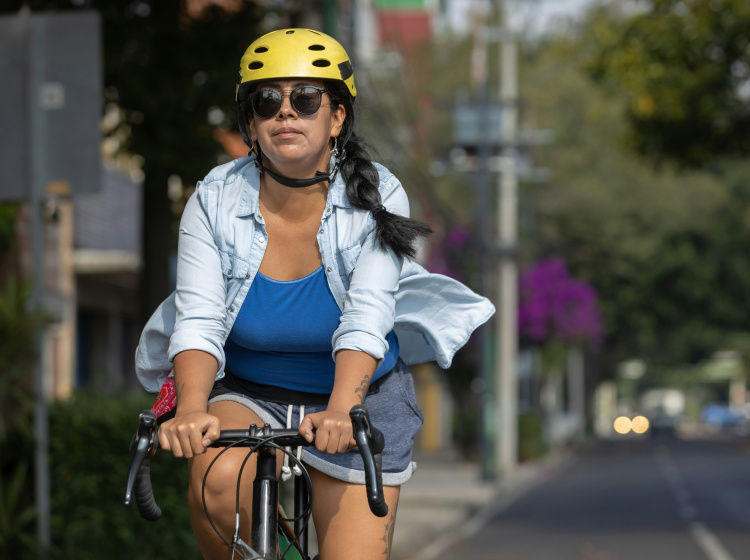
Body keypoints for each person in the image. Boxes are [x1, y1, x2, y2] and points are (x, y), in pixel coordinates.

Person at [135, 28, 494, 560]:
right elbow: (200, 318)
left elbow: (368, 315)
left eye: (304, 100)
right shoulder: (213, 198)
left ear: (337, 118)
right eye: (267, 101)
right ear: (250, 123)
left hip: (356, 397)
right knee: (214, 479)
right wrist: (190, 409)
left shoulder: (377, 193)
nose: (286, 114)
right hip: (250, 388)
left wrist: (341, 410)